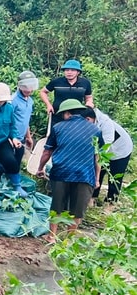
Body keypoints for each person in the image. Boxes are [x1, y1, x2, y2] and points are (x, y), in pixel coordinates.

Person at [36, 99, 100, 239]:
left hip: (61, 172)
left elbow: (47, 152)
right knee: (77, 210)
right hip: (85, 174)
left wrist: (40, 168)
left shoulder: (58, 127)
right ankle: (69, 239)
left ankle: (51, 236)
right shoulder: (95, 130)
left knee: (57, 205)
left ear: (67, 113)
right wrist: (96, 179)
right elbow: (97, 158)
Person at [84, 107, 132, 204]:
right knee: (98, 173)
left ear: (88, 119)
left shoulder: (106, 124)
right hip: (104, 149)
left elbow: (102, 151)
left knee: (115, 178)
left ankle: (111, 203)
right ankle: (92, 199)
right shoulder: (92, 121)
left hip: (120, 150)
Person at [40, 59, 93, 124]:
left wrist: (89, 103)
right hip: (57, 114)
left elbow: (88, 97)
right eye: (67, 70)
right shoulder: (57, 81)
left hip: (77, 115)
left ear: (78, 72)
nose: (69, 72)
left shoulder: (85, 83)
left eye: (72, 70)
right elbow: (43, 92)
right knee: (55, 133)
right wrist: (48, 104)